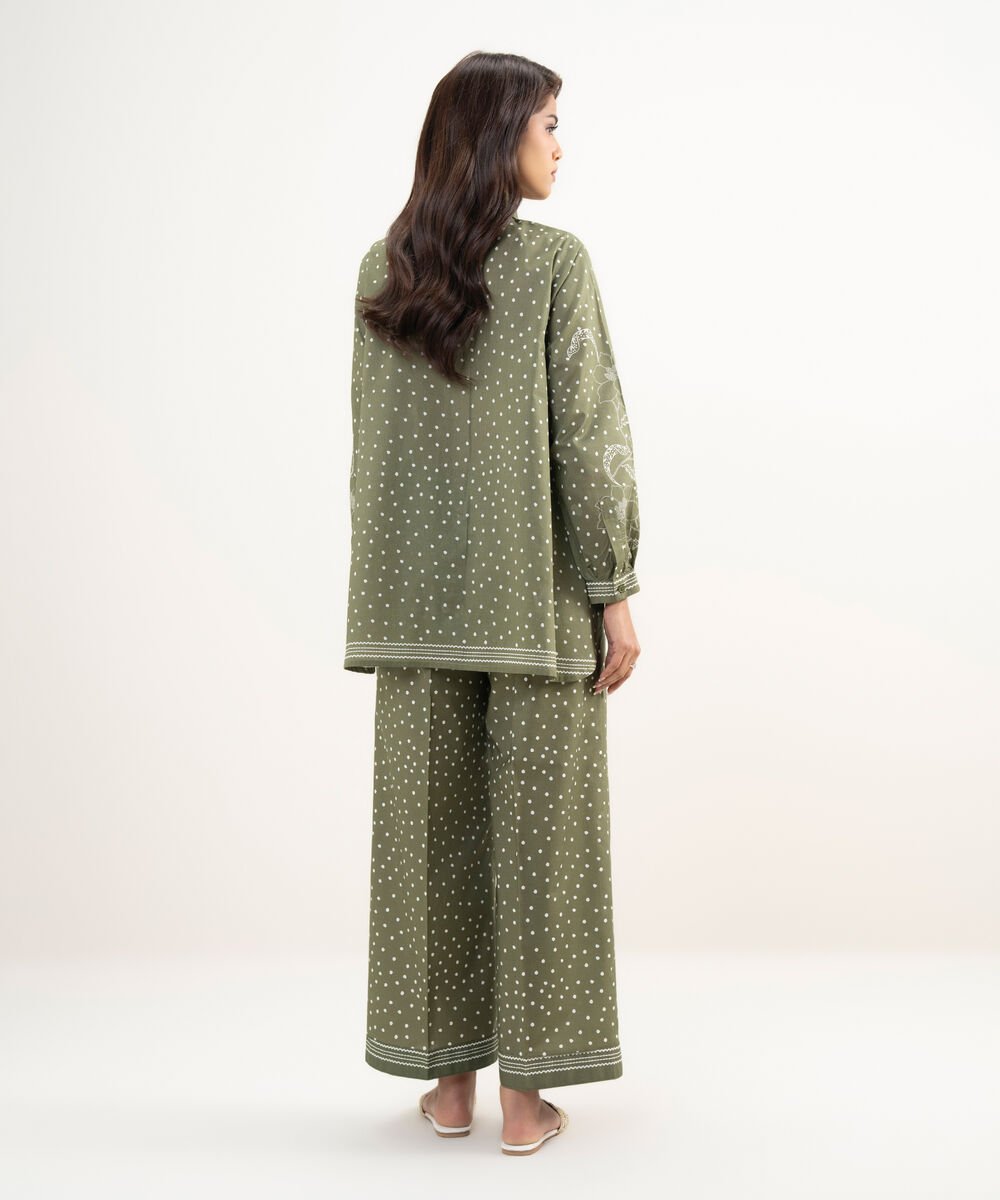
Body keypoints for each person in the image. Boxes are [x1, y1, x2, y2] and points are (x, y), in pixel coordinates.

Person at [344, 50, 642, 1156]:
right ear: (501, 132)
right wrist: (613, 590)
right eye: (549, 123)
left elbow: (371, 450)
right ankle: (527, 1107)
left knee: (432, 849)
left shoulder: (382, 269)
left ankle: (449, 1092)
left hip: (414, 613)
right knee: (542, 849)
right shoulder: (556, 264)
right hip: (532, 607)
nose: (561, 144)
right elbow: (589, 439)